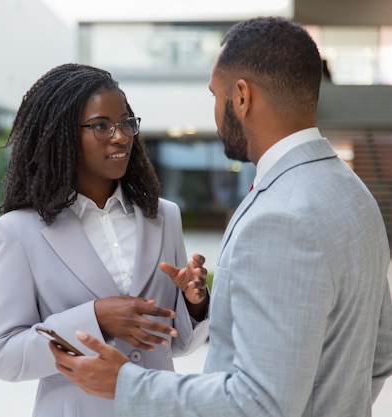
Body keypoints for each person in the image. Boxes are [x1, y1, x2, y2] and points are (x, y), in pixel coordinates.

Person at [50, 17, 392, 417]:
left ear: (241, 97)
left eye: (216, 95)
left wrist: (125, 383)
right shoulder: (356, 196)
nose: (214, 112)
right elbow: (381, 353)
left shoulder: (278, 219)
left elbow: (259, 404)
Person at [0, 63, 210, 417]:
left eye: (126, 123)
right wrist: (94, 319)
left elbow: (176, 345)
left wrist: (194, 305)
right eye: (101, 126)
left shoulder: (164, 216)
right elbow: (3, 355)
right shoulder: (19, 231)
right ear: (61, 135)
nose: (120, 136)